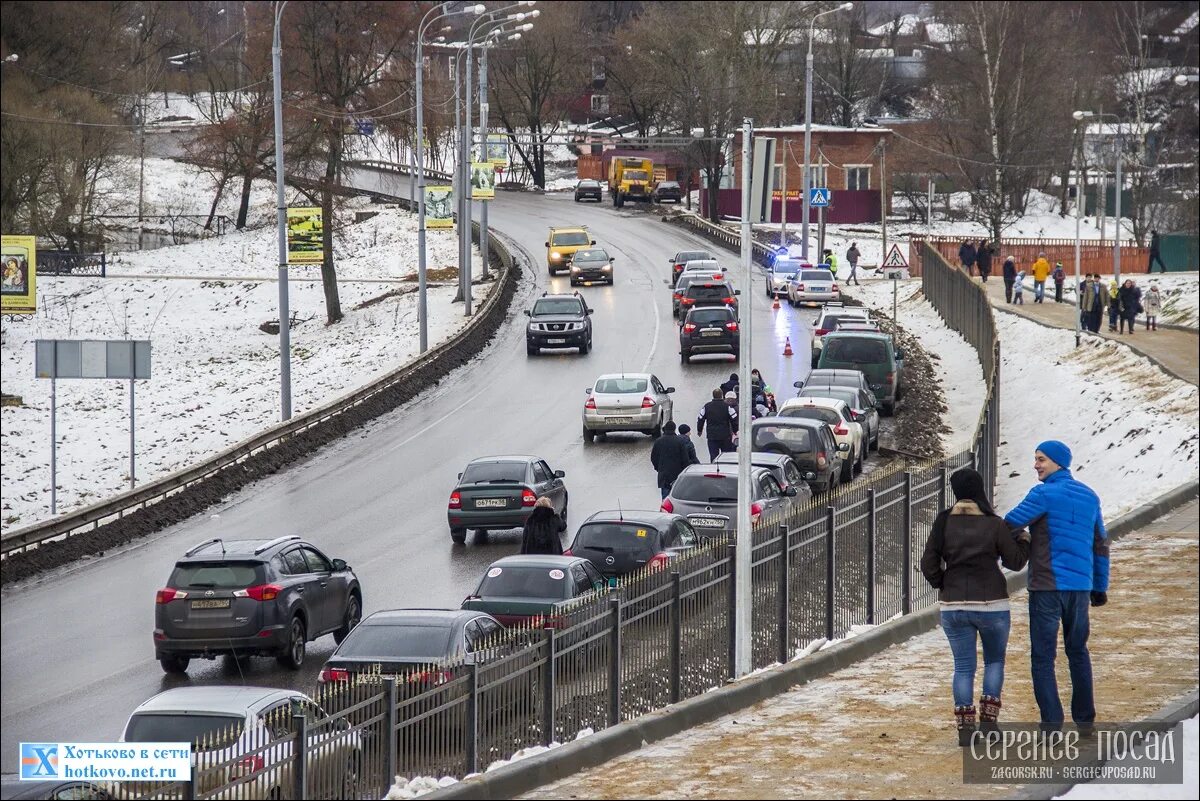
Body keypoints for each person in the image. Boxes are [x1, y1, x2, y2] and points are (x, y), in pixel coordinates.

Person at [1004, 441, 1109, 731]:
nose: (1036, 465)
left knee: (1043, 657)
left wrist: (1024, 539)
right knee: (1078, 651)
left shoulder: (1043, 494)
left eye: (1041, 460)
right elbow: (1100, 544)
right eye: (1036, 459)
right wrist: (1100, 586)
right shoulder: (1090, 496)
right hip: (1080, 588)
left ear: (1058, 463)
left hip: (1047, 587)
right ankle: (1085, 720)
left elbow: (1009, 523)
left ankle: (1051, 723)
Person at [921, 468, 1030, 746]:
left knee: (963, 667)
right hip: (992, 602)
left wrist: (943, 582)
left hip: (954, 605)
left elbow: (928, 563)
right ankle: (989, 724)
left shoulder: (944, 522)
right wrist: (1024, 540)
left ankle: (965, 729)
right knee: (994, 661)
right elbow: (1015, 562)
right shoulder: (995, 523)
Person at [650, 420, 697, 499]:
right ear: (674, 429)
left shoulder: (658, 441)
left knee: (665, 499)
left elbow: (653, 458)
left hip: (664, 475)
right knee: (677, 498)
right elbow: (685, 459)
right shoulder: (680, 442)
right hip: (677, 475)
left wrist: (659, 468)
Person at [697, 388, 737, 460]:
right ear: (722, 395)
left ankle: (714, 469)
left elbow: (700, 418)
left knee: (713, 456)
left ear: (713, 396)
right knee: (726, 457)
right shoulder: (727, 406)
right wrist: (735, 430)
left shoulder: (707, 406)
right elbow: (734, 418)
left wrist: (699, 430)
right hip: (725, 436)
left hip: (712, 436)